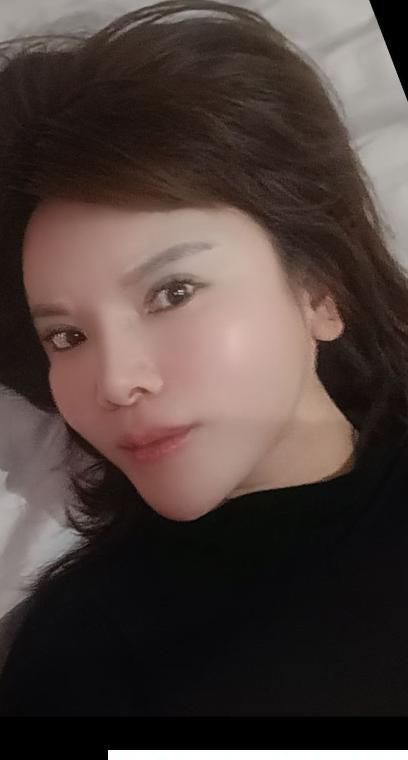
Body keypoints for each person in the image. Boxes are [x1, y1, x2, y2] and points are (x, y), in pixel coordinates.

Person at [0, 0, 407, 716]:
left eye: (173, 292)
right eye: (66, 337)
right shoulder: (80, 654)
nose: (116, 382)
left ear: (320, 291)